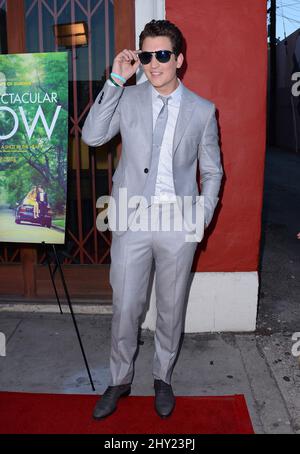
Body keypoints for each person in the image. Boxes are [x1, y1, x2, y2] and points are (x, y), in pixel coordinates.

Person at [82, 19, 223, 420]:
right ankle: (119, 379)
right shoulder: (127, 98)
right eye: (146, 56)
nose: (154, 64)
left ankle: (163, 377)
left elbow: (212, 171)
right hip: (131, 218)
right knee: (125, 305)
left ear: (179, 59)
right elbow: (92, 136)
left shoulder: (202, 110)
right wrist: (114, 79)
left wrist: (202, 217)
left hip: (179, 222)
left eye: (162, 55)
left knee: (171, 307)